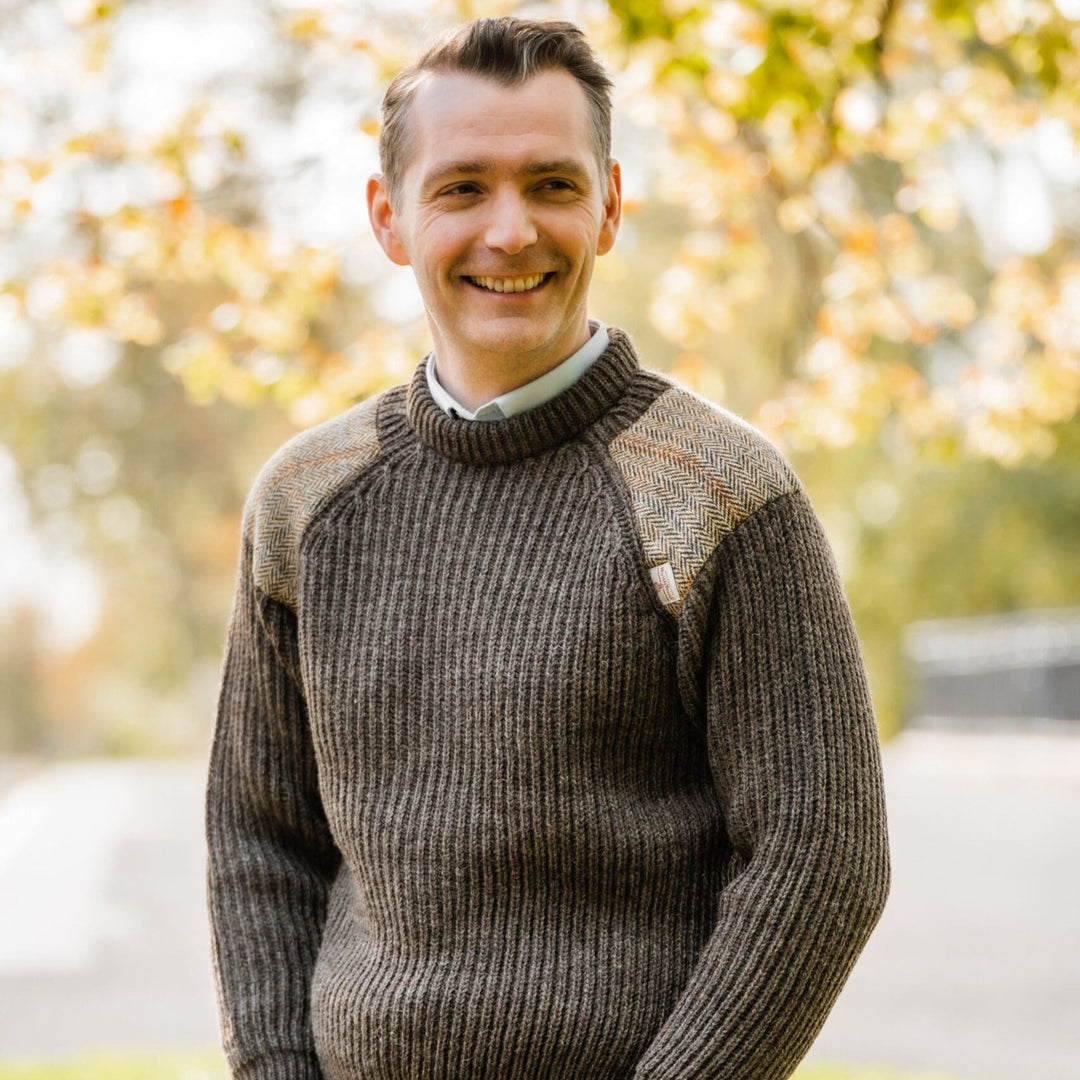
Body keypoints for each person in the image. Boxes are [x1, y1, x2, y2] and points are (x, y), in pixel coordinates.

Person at [206, 16, 890, 1080]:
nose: (511, 230)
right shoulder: (306, 501)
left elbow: (823, 856)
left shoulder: (721, 495)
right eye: (463, 187)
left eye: (553, 185)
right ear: (390, 218)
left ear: (611, 205)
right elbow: (261, 842)